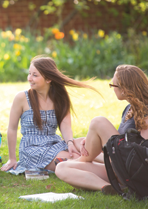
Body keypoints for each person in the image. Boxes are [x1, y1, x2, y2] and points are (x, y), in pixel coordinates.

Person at [55, 64, 148, 193]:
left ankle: (80, 161)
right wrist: (94, 141)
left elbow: (142, 153)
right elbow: (120, 139)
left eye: (113, 85)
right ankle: (106, 187)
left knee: (98, 122)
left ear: (124, 90)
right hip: (119, 166)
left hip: (129, 171)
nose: (112, 88)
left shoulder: (145, 112)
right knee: (62, 167)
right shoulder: (129, 109)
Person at [0, 56, 98, 173]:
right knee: (77, 159)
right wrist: (12, 159)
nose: (29, 78)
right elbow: (12, 128)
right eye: (29, 73)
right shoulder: (22, 98)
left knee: (83, 143)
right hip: (32, 150)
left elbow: (65, 126)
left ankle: (113, 162)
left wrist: (70, 143)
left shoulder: (60, 98)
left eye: (35, 75)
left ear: (48, 79)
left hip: (53, 144)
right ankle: (109, 171)